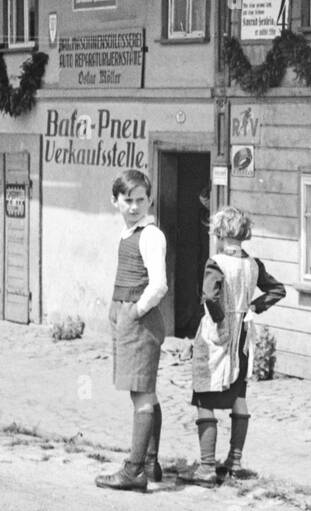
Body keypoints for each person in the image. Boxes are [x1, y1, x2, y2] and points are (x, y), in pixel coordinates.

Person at [188, 205, 285, 484]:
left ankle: (207, 466)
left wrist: (219, 319)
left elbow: (209, 296)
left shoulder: (215, 262)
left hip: (217, 335)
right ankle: (235, 460)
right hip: (242, 334)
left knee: (204, 395)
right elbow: (278, 290)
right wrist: (252, 307)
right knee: (238, 395)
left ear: (219, 232)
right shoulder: (253, 264)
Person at [95, 170, 168, 492]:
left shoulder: (150, 235)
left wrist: (135, 312)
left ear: (150, 200)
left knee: (141, 394)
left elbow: (159, 285)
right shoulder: (127, 234)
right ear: (116, 202)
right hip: (126, 316)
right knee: (144, 391)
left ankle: (134, 470)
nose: (134, 206)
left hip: (140, 318)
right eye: (128, 200)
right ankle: (150, 462)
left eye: (141, 200)